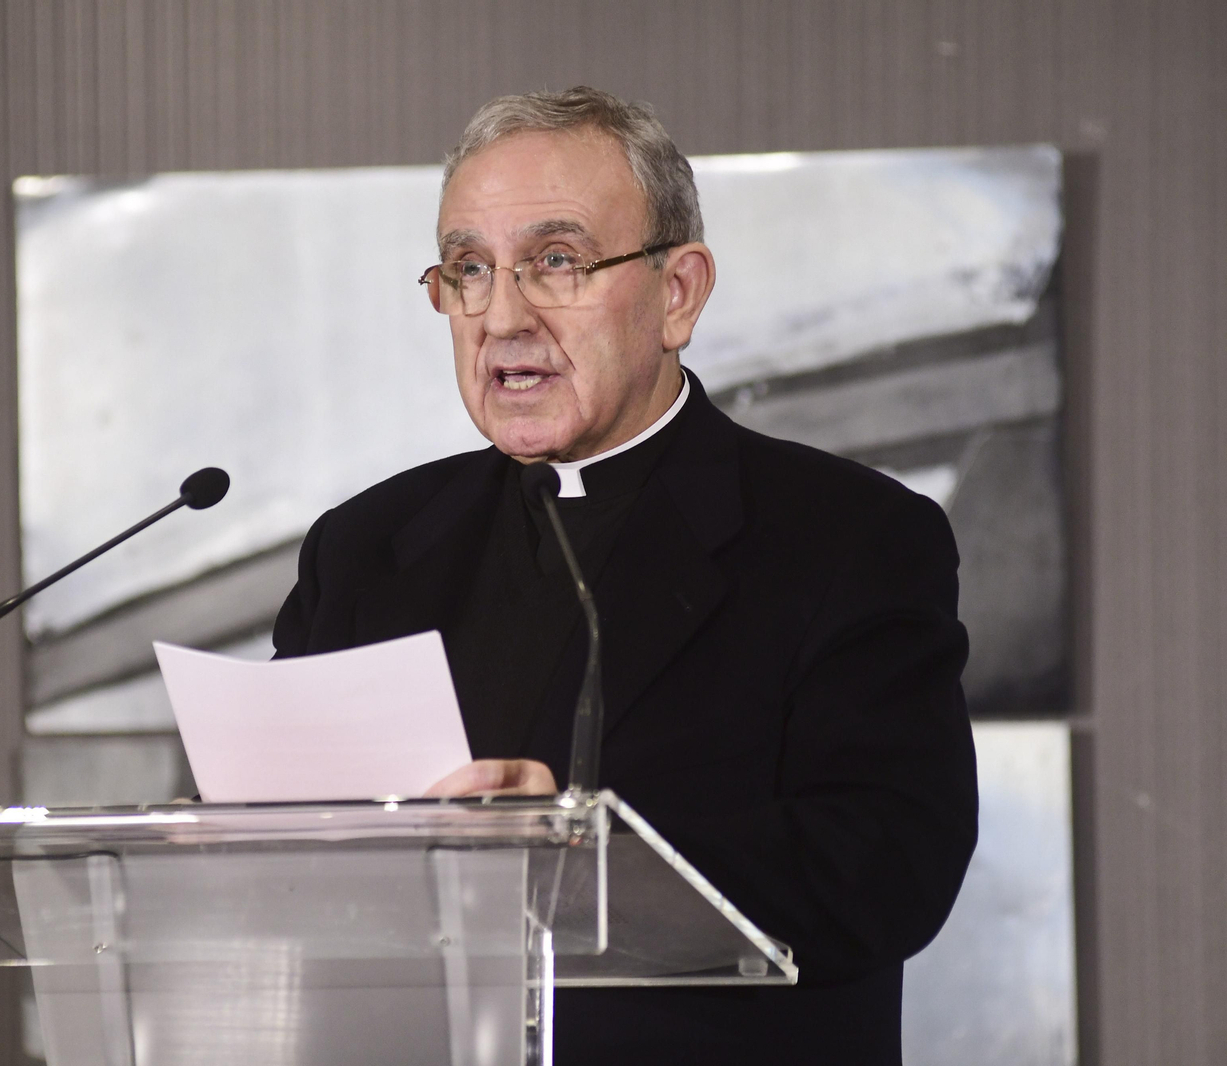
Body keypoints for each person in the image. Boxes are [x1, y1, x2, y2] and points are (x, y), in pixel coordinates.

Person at [272, 86, 977, 1064]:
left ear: (677, 293)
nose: (501, 316)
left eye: (554, 262)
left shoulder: (846, 536)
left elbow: (888, 864)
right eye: (469, 269)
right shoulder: (364, 548)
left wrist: (584, 860)